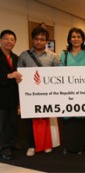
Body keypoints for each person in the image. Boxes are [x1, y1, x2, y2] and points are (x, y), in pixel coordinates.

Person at [18, 26, 60, 157]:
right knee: (30, 120)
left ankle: (48, 144)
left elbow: (59, 75)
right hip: (30, 95)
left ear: (46, 41)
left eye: (42, 39)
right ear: (32, 40)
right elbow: (19, 74)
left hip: (47, 94)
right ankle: (32, 145)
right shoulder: (24, 55)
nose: (39, 42)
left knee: (46, 118)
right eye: (36, 39)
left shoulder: (53, 57)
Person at [60, 27, 85, 154]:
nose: (76, 39)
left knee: (81, 120)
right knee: (68, 120)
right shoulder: (64, 54)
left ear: (83, 39)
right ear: (69, 39)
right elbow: (60, 72)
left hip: (83, 92)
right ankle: (68, 146)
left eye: (79, 36)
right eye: (73, 36)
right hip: (67, 92)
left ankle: (81, 146)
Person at [0, 30, 22, 160]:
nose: (9, 42)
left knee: (12, 121)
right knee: (1, 123)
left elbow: (17, 74)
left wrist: (18, 79)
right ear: (1, 40)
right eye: (6, 39)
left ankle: (12, 142)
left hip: (13, 96)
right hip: (1, 96)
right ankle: (3, 147)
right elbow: (9, 75)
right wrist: (8, 76)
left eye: (12, 39)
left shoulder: (16, 58)